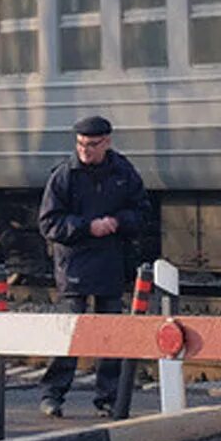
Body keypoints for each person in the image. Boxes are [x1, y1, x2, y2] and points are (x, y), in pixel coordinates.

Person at [37, 115, 153, 417]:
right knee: (71, 331)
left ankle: (108, 397)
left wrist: (116, 222)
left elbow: (142, 213)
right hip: (74, 262)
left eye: (91, 144)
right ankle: (52, 394)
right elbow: (49, 222)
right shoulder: (64, 175)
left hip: (110, 262)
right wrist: (88, 227)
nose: (84, 150)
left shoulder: (123, 172)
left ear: (107, 143)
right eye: (80, 144)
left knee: (110, 334)